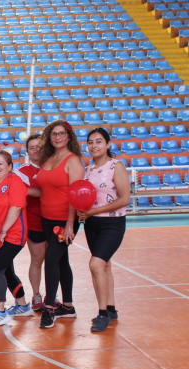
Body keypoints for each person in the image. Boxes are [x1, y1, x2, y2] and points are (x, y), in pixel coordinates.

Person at [34, 120, 85, 329]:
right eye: (53, 134)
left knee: (52, 258)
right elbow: (45, 190)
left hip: (65, 222)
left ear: (69, 136)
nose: (57, 137)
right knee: (62, 261)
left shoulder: (73, 161)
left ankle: (49, 309)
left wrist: (70, 224)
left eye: (61, 134)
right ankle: (68, 306)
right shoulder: (48, 158)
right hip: (47, 219)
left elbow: (75, 195)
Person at [79, 128, 129, 332]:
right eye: (90, 142)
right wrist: (83, 212)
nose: (94, 145)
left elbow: (124, 199)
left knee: (95, 265)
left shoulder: (116, 166)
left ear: (108, 144)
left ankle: (102, 315)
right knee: (105, 266)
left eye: (99, 141)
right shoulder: (88, 169)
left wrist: (94, 211)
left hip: (112, 223)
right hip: (92, 224)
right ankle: (111, 308)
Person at [0, 151, 33, 327]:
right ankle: (23, 306)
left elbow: (16, 207)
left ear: (10, 167)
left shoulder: (14, 181)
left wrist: (3, 231)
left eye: (1, 163)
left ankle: (0, 311)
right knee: (7, 270)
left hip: (13, 234)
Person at [14, 134, 47, 311]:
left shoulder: (52, 167)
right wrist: (44, 191)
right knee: (37, 260)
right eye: (32, 147)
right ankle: (36, 295)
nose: (36, 151)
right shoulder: (22, 172)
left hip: (55, 221)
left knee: (54, 261)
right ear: (27, 151)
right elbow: (22, 193)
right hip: (35, 223)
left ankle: (52, 295)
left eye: (39, 147)